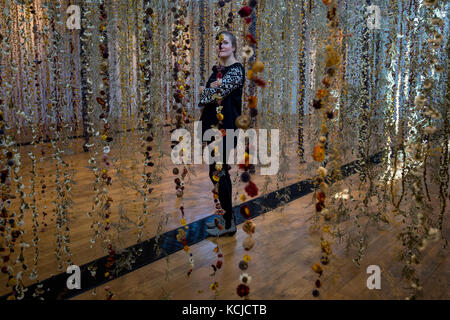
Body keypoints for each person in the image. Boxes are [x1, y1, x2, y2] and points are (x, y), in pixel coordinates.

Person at [198, 31, 245, 237]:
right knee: (215, 172)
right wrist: (208, 92)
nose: (221, 46)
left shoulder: (236, 70)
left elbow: (213, 93)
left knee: (220, 172)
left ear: (233, 47)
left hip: (225, 129)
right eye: (218, 43)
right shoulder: (218, 70)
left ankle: (229, 223)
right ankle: (226, 218)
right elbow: (205, 98)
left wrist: (207, 91)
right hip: (212, 127)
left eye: (225, 43)